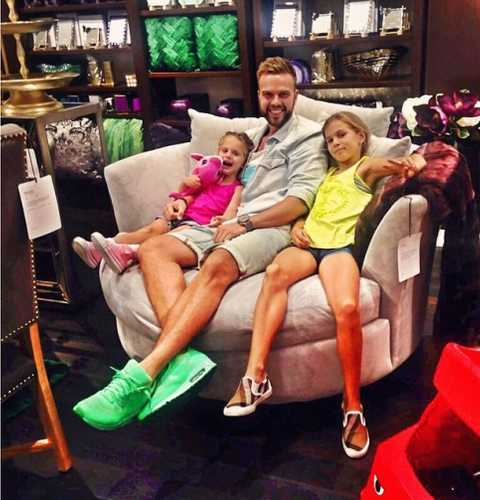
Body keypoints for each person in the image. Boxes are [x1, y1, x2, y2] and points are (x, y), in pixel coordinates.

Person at [73, 57, 328, 430]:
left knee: (219, 262)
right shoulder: (252, 136)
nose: (276, 102)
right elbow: (215, 179)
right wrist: (183, 200)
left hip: (271, 226)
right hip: (225, 220)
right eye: (268, 94)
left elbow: (299, 202)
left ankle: (145, 372)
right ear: (258, 93)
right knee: (153, 249)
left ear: (296, 94)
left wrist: (244, 222)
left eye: (283, 94)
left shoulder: (308, 137)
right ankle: (184, 359)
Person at [223, 111, 426, 459]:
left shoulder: (364, 168)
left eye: (342, 134)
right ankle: (255, 377)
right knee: (275, 274)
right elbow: (307, 207)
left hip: (338, 248)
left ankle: (352, 405)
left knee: (346, 307)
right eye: (330, 140)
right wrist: (297, 224)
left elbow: (400, 164)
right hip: (306, 245)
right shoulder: (326, 175)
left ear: (361, 136)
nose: (336, 143)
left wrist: (414, 161)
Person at [71, 131, 253, 274]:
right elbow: (187, 196)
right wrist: (183, 193)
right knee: (150, 230)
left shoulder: (237, 188)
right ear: (218, 153)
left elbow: (230, 213)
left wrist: (222, 220)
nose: (228, 155)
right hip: (180, 216)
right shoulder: (209, 178)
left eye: (235, 153)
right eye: (225, 151)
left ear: (244, 161)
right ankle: (97, 249)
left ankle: (126, 253)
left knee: (164, 241)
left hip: (197, 225)